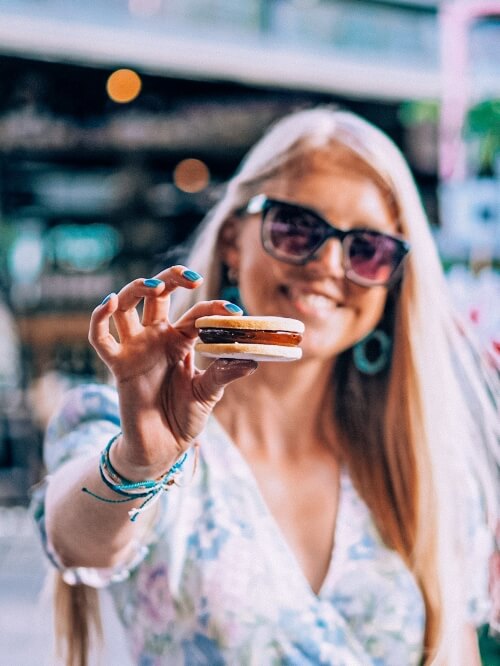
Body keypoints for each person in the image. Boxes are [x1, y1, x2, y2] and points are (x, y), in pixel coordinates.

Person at [32, 107, 498, 666]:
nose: (328, 264)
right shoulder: (132, 423)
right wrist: (138, 463)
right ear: (233, 239)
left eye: (368, 249)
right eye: (296, 228)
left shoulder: (424, 462)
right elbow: (74, 540)